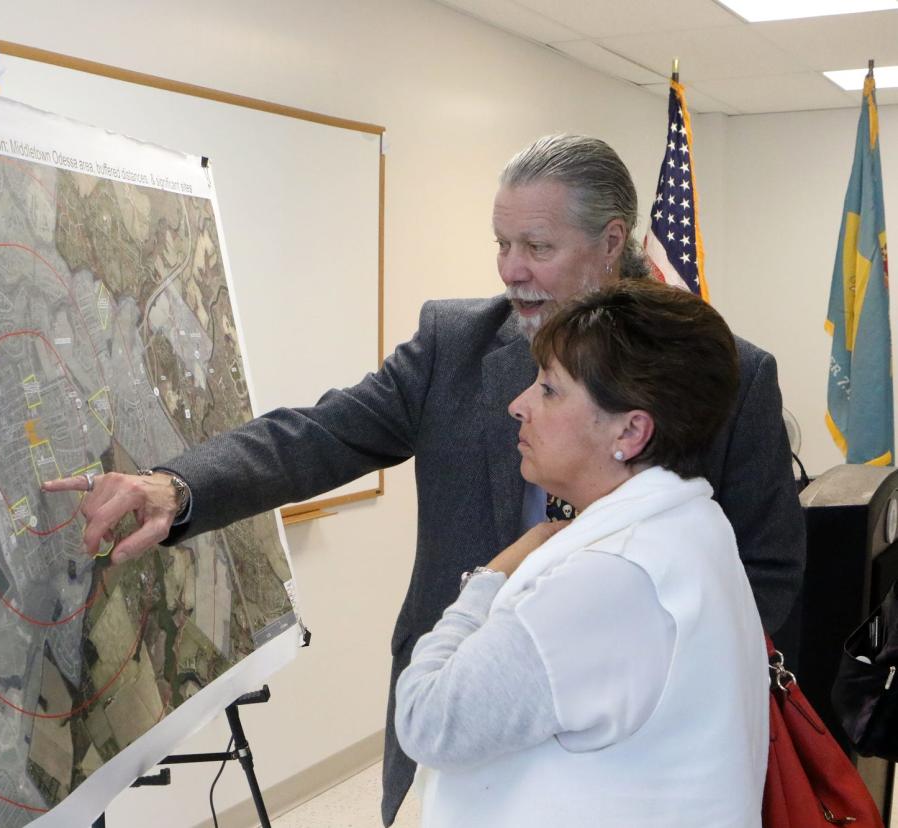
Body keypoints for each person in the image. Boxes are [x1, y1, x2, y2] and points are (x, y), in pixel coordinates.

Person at [44, 134, 803, 825]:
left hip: (616, 767)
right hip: (450, 725)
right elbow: (319, 434)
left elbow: (762, 572)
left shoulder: (723, 375)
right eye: (502, 243)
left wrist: (622, 692)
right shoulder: (455, 344)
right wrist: (177, 488)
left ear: (611, 245)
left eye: (537, 245)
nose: (511, 269)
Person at [394, 278, 768, 826]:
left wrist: (489, 578)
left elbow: (427, 720)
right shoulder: (689, 521)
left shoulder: (611, 579)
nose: (518, 404)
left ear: (631, 430)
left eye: (549, 389)